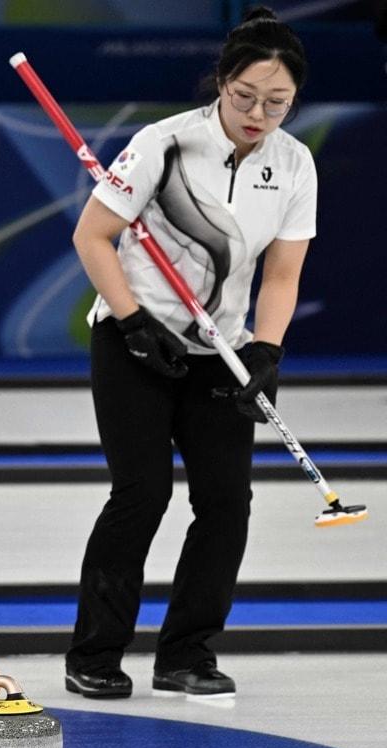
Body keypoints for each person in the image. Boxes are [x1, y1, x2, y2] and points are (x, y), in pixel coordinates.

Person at [64, 7, 316, 700]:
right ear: (221, 82)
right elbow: (94, 235)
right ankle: (95, 650)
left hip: (221, 351)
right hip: (134, 339)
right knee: (141, 493)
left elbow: (284, 274)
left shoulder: (295, 164)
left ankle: (187, 652)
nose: (259, 114)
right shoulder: (163, 143)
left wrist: (267, 348)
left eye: (278, 102)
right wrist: (134, 318)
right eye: (245, 97)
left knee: (227, 501)